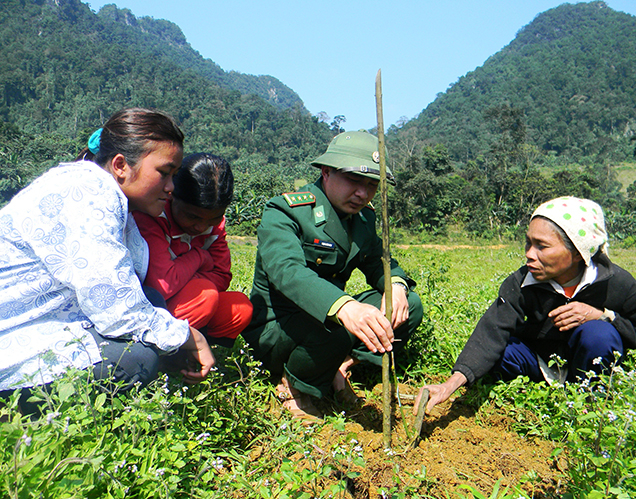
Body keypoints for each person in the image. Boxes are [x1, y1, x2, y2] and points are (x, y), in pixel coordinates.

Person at [0, 108, 215, 404]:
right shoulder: (87, 193)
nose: (170, 188)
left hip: (48, 318)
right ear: (120, 165)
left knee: (150, 299)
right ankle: (19, 412)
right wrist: (191, 337)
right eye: (164, 173)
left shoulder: (102, 191)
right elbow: (116, 308)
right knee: (134, 360)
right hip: (10, 335)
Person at [414, 196, 636, 415]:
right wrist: (450, 384)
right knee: (498, 354)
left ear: (578, 253)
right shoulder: (521, 283)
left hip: (587, 364)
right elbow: (492, 332)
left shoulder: (617, 283)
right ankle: (540, 389)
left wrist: (602, 315)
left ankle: (591, 399)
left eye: (542, 246)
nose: (529, 254)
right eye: (528, 243)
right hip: (538, 363)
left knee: (598, 335)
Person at [243, 130, 423, 420]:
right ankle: (295, 386)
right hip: (280, 327)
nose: (363, 193)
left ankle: (343, 365)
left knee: (407, 306)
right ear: (326, 172)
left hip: (329, 324)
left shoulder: (363, 218)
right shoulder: (285, 211)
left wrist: (395, 285)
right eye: (353, 180)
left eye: (372, 184)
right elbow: (287, 271)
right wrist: (345, 307)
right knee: (338, 330)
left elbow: (379, 262)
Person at [133, 153, 253, 348]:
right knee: (204, 296)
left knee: (240, 308)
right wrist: (200, 257)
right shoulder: (153, 216)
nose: (201, 227)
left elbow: (222, 277)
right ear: (172, 197)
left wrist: (179, 274)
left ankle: (201, 350)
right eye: (192, 217)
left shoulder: (216, 226)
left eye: (212, 219)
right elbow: (161, 286)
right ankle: (167, 352)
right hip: (151, 308)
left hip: (182, 303)